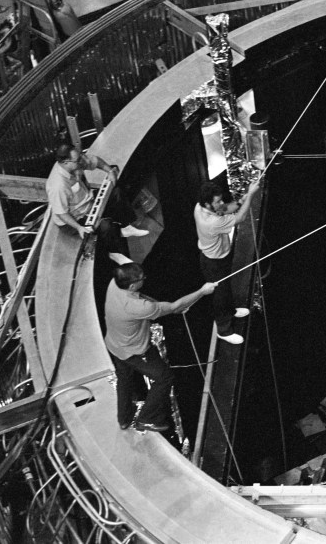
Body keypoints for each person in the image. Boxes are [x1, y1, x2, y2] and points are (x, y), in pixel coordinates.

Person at [104, 263, 214, 432]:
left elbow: (143, 298)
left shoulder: (115, 284)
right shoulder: (138, 308)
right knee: (164, 377)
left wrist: (162, 307)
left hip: (114, 345)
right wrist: (202, 291)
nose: (144, 279)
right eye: (142, 279)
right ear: (132, 284)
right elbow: (175, 306)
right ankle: (147, 418)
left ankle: (124, 419)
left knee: (125, 380)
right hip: (134, 351)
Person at [45, 143, 148, 262]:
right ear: (66, 162)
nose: (82, 161)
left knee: (116, 194)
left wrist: (109, 171)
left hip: (87, 202)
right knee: (105, 226)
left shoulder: (76, 163)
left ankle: (126, 227)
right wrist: (79, 228)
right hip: (73, 218)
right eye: (77, 160)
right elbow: (61, 213)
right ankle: (114, 253)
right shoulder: (57, 185)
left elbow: (94, 161)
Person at [193, 178, 262, 345]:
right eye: (217, 201)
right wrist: (251, 195)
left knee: (225, 289)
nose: (221, 203)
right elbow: (240, 218)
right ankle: (223, 330)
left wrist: (240, 201)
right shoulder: (212, 222)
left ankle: (231, 311)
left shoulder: (200, 206)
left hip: (220, 256)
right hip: (214, 263)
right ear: (208, 204)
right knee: (220, 296)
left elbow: (224, 209)